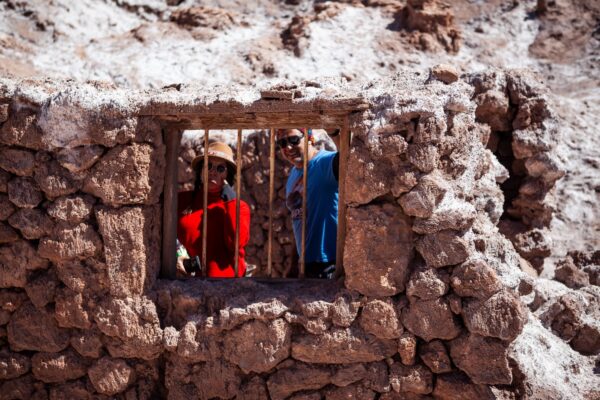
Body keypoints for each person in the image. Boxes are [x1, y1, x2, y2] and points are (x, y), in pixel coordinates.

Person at [177, 141, 250, 278]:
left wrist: (231, 201)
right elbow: (165, 235)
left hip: (229, 285)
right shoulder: (182, 201)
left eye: (220, 168)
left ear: (227, 175)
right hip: (189, 285)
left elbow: (236, 243)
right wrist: (176, 256)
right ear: (201, 171)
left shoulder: (239, 207)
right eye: (208, 166)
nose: (213, 172)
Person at [277, 128, 340, 278]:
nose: (288, 147)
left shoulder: (326, 163)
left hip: (330, 263)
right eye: (282, 143)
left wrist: (335, 131)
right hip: (306, 265)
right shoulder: (293, 174)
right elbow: (299, 219)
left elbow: (350, 154)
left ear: (310, 138)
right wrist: (294, 263)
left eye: (294, 140)